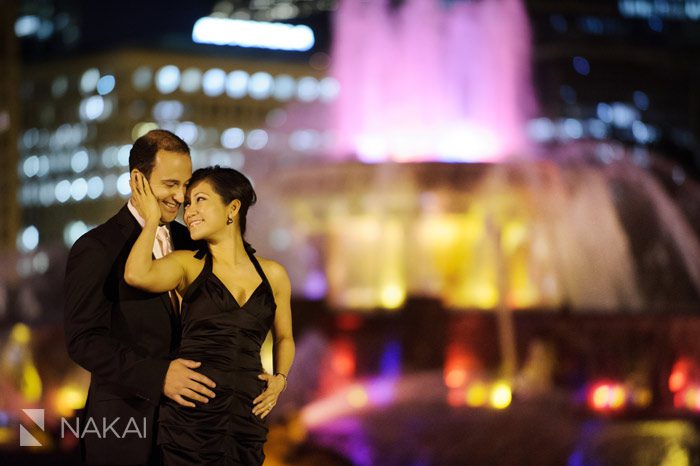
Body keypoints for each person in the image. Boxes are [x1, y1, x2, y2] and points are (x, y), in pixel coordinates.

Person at [64, 130, 217, 465]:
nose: (180, 197)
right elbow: (83, 340)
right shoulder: (96, 248)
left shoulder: (192, 241)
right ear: (138, 180)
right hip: (122, 427)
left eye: (186, 185)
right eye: (170, 184)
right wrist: (159, 375)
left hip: (190, 432)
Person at [125, 166, 295, 465]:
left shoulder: (274, 274)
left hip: (247, 414)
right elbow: (136, 274)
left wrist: (280, 379)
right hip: (191, 415)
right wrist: (151, 219)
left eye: (200, 200)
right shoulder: (186, 264)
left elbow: (284, 337)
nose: (188, 211)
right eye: (187, 203)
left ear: (232, 208)